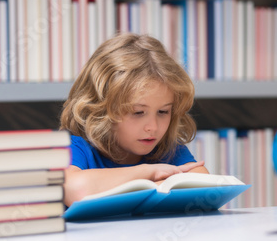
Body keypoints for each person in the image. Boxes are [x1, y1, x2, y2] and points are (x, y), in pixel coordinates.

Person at [60, 33, 208, 206]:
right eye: (138, 112)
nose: (153, 127)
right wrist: (149, 172)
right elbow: (76, 189)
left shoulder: (166, 150)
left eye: (163, 111)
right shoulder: (76, 147)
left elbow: (202, 183)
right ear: (100, 109)